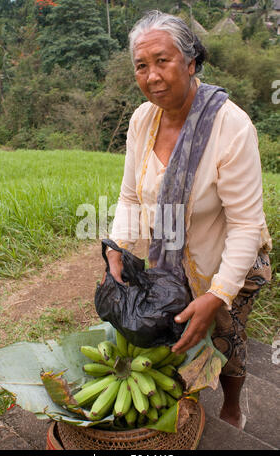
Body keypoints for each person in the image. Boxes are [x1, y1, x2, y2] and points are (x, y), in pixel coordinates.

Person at [103, 10, 272, 429]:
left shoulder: (231, 127)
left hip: (230, 260)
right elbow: (129, 196)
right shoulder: (143, 120)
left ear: (191, 62)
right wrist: (118, 249)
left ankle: (233, 406)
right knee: (179, 342)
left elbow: (246, 226)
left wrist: (217, 294)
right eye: (141, 65)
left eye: (163, 60)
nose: (152, 76)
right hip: (172, 263)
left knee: (226, 338)